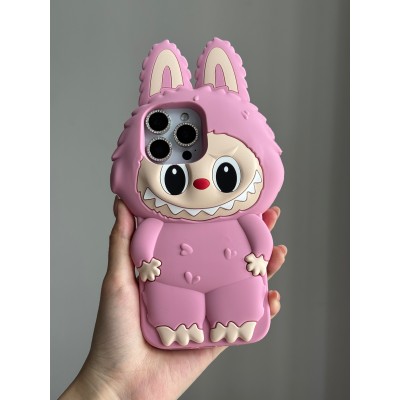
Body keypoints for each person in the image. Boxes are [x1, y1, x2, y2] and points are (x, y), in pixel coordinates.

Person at [60, 198, 287, 399]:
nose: (201, 184)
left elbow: (260, 236)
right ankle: (180, 326)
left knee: (239, 301)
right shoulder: (155, 219)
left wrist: (260, 255)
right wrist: (144, 261)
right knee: (174, 306)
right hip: (173, 284)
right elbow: (144, 243)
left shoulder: (244, 215)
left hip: (234, 281)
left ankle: (234, 321)